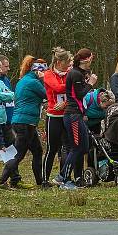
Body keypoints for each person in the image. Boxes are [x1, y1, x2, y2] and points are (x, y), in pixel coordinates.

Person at [0, 58, 48, 190]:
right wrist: (44, 80)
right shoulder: (33, 82)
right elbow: (48, 94)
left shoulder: (24, 80)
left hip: (23, 121)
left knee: (37, 151)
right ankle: (1, 182)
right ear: (38, 71)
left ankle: (40, 182)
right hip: (25, 122)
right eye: (44, 71)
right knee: (18, 154)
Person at [57, 48, 98, 190]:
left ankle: (67, 177)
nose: (92, 60)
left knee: (84, 147)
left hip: (78, 114)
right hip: (72, 115)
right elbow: (79, 94)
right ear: (84, 60)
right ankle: (64, 179)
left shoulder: (79, 73)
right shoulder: (74, 73)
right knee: (76, 148)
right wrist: (91, 83)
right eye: (91, 58)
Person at [43, 47, 70, 185]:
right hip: (53, 116)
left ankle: (63, 177)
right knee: (52, 148)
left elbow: (75, 92)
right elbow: (58, 88)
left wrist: (65, 103)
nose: (69, 65)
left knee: (67, 147)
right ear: (59, 62)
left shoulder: (69, 73)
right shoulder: (48, 74)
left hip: (67, 114)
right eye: (67, 62)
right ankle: (44, 180)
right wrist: (72, 84)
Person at [0, 54, 16, 142]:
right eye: (6, 66)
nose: (8, 69)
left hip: (9, 121)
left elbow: (11, 97)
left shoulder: (6, 80)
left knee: (11, 148)